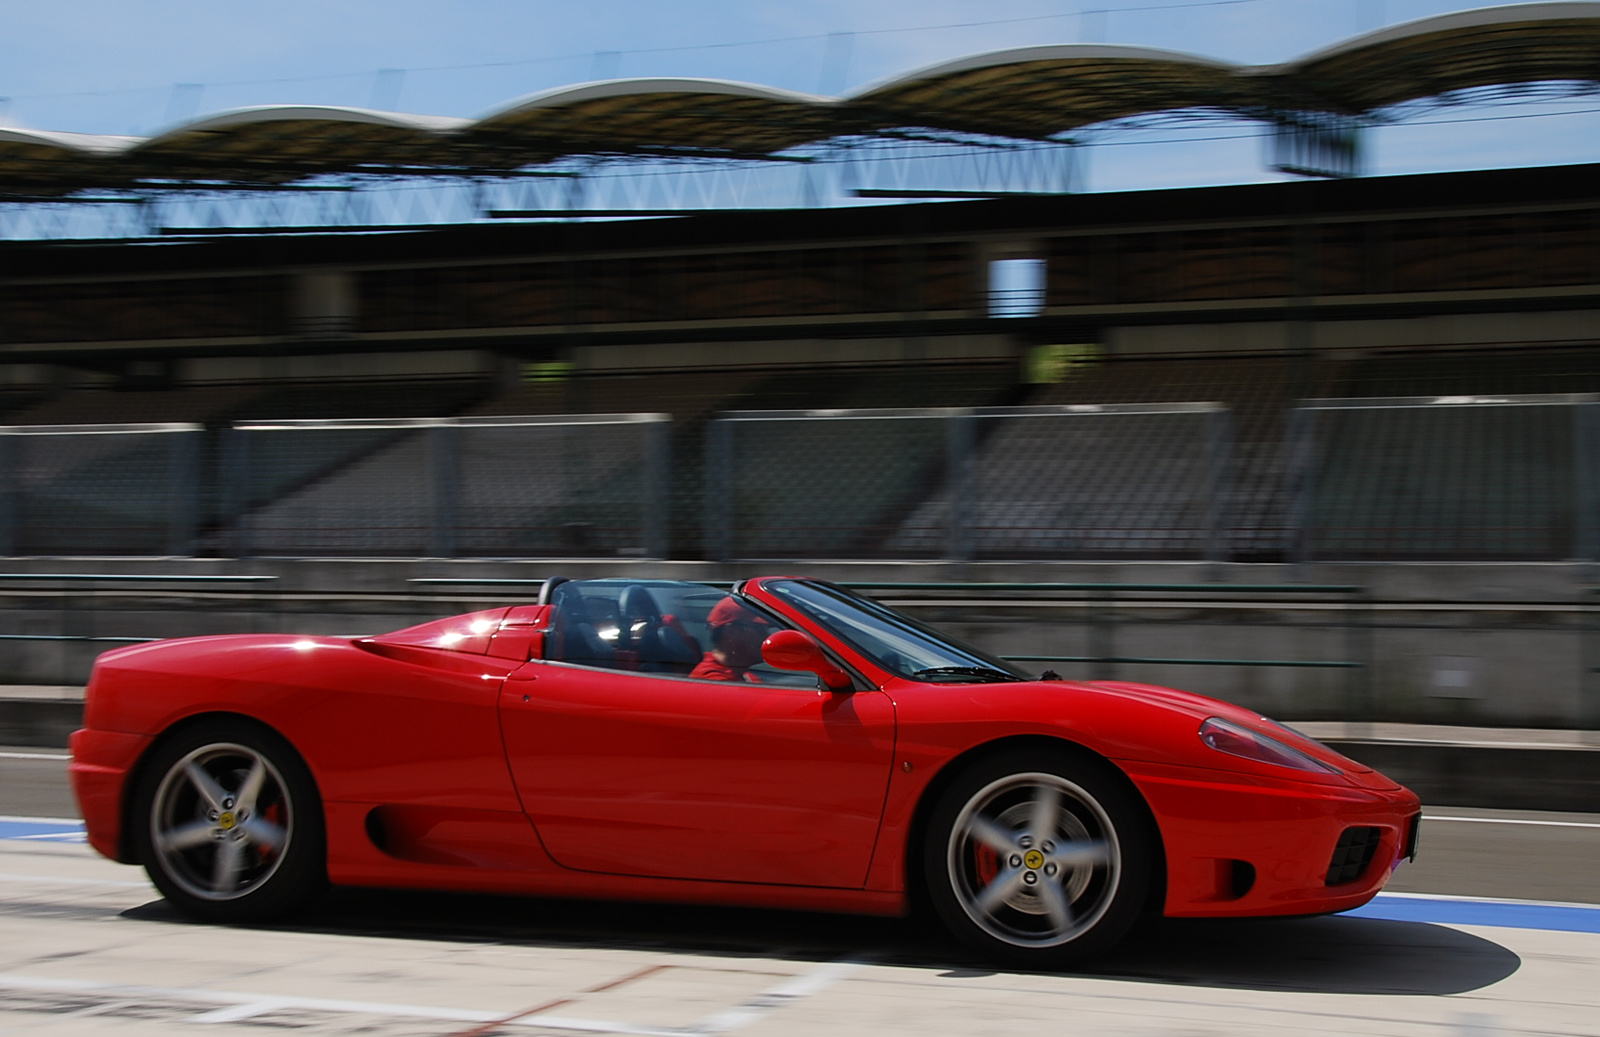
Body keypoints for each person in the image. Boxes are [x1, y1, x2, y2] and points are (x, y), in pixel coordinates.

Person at [689, 596, 775, 682]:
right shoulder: (712, 680)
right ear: (731, 631)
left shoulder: (747, 677)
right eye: (760, 629)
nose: (767, 635)